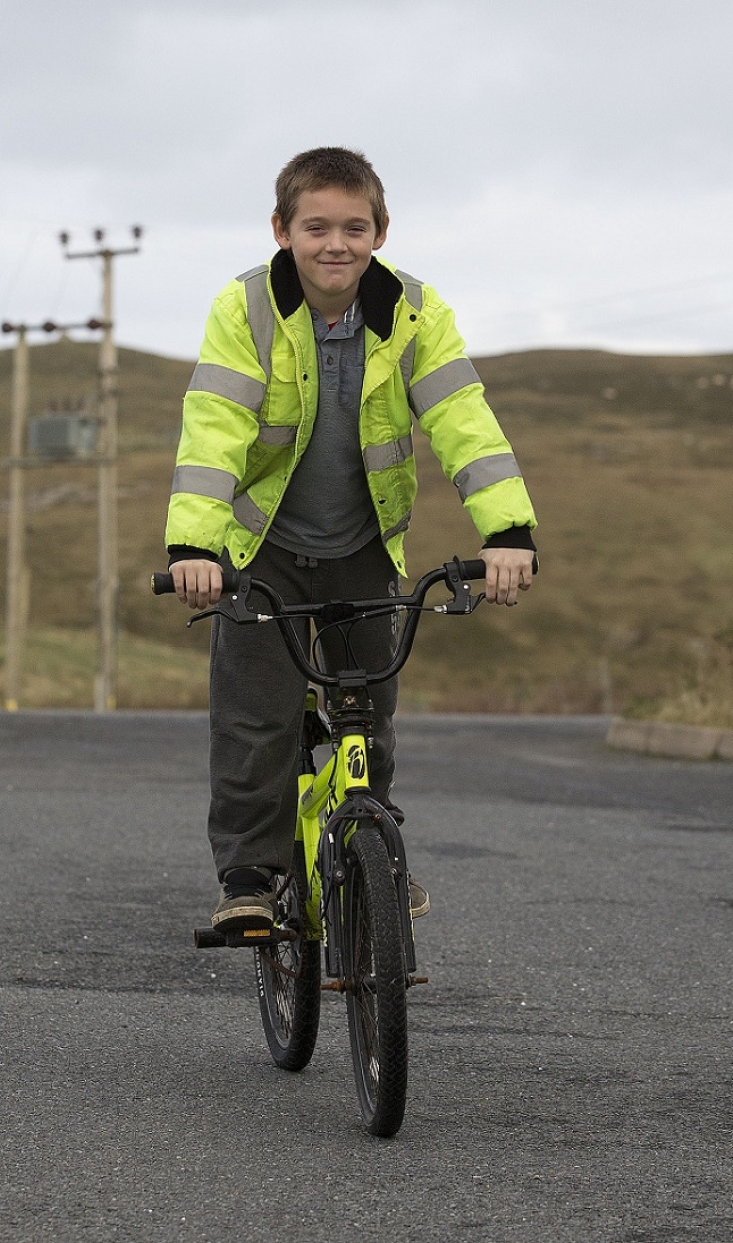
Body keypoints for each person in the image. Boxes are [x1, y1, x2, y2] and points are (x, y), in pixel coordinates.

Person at [165, 146, 537, 932]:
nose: (335, 244)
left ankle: (374, 843)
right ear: (281, 230)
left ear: (380, 231)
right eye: (316, 227)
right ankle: (249, 873)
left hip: (363, 545)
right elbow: (214, 426)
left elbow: (462, 419)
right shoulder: (245, 309)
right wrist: (193, 547)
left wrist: (506, 529)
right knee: (255, 721)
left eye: (354, 228)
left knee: (368, 713)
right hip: (260, 549)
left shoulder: (414, 311)